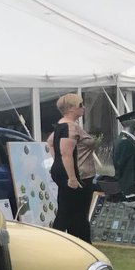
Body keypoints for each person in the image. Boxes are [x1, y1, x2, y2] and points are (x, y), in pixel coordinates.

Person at [50, 93, 97, 241]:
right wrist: (72, 177)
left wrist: (57, 160)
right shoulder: (70, 127)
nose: (83, 108)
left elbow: (51, 142)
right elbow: (65, 153)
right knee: (73, 213)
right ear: (71, 109)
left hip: (66, 171)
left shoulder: (61, 125)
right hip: (74, 174)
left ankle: (72, 241)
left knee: (70, 211)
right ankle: (78, 243)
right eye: (80, 105)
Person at [112, 110, 135, 200]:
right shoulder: (125, 142)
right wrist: (129, 192)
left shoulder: (128, 140)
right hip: (131, 190)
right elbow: (126, 168)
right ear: (132, 122)